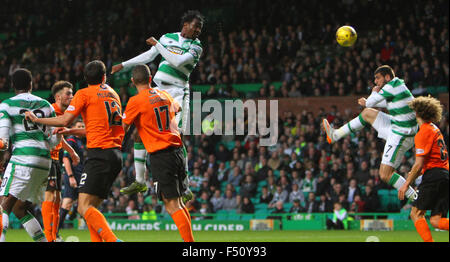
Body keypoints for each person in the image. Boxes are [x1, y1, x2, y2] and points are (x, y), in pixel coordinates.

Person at [25, 60, 124, 242]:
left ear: (85, 78)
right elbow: (95, 128)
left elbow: (64, 120)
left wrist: (37, 120)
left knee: (83, 207)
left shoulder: (84, 93)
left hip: (99, 154)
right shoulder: (113, 94)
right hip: (115, 154)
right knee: (91, 207)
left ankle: (113, 241)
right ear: (104, 77)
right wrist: (71, 132)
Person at [112, 10, 204, 204]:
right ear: (185, 24)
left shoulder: (196, 46)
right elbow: (149, 56)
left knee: (176, 138)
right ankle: (139, 180)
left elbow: (177, 61)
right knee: (139, 133)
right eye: (195, 26)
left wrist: (158, 45)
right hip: (157, 91)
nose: (197, 30)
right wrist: (124, 65)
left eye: (200, 28)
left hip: (178, 93)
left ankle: (185, 185)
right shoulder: (167, 38)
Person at [323, 65, 418, 201]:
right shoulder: (396, 88)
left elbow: (371, 101)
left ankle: (415, 197)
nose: (376, 82)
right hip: (396, 126)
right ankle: (335, 135)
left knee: (385, 174)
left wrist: (373, 93)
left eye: (378, 78)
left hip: (402, 135)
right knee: (368, 114)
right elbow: (378, 104)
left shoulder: (393, 85)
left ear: (387, 77)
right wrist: (369, 102)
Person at [121, 64, 194, 242]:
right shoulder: (164, 94)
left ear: (132, 81)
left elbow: (122, 129)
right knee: (179, 203)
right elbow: (176, 109)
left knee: (171, 205)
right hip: (177, 151)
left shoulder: (135, 102)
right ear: (150, 78)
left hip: (161, 156)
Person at [0, 68, 62, 242]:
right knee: (19, 208)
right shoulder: (46, 105)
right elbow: (55, 139)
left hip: (23, 158)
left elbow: (3, 141)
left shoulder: (6, 105)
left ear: (12, 85)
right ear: (31, 85)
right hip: (44, 162)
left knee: (2, 207)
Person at [398, 96, 449, 242]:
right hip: (445, 175)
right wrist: (416, 173)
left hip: (434, 176)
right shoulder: (435, 129)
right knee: (436, 221)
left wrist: (406, 183)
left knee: (416, 213)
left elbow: (419, 164)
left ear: (417, 113)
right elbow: (427, 161)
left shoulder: (423, 132)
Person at [41, 81, 80, 242]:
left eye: (71, 94)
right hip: (48, 157)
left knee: (57, 198)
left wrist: (71, 151)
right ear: (58, 97)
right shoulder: (51, 111)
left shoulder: (63, 114)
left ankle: (54, 235)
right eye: (68, 94)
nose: (71, 96)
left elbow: (59, 135)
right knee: (50, 196)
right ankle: (49, 237)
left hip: (56, 158)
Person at [57, 119, 86, 234]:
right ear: (73, 128)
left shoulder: (80, 141)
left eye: (82, 126)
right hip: (73, 176)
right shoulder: (71, 140)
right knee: (67, 202)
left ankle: (56, 230)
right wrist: (70, 176)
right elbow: (65, 158)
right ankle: (55, 232)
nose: (80, 128)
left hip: (79, 176)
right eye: (78, 126)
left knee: (80, 202)